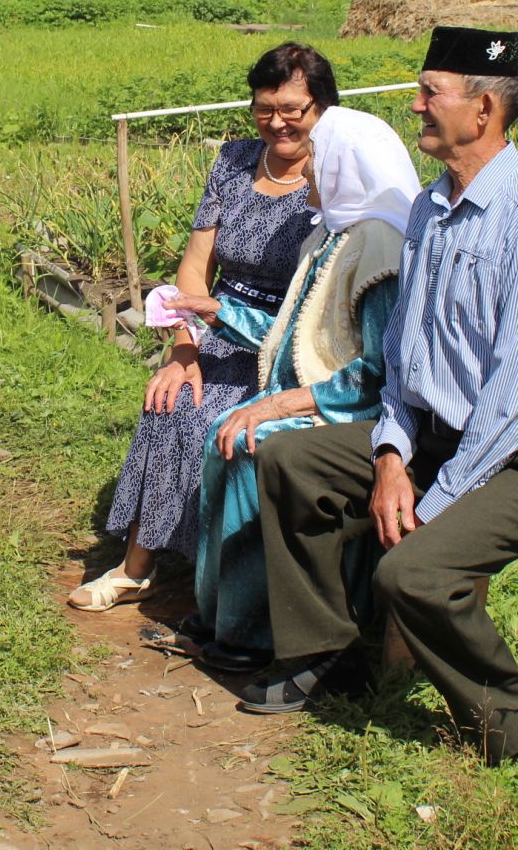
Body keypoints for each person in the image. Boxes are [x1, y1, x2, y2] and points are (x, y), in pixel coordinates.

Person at [243, 25, 518, 791]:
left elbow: (517, 394)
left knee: (412, 572)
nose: (415, 107)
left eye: (430, 92)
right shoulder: (433, 209)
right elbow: (405, 356)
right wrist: (391, 455)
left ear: (484, 110)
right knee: (289, 458)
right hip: (434, 436)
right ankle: (325, 654)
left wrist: (430, 496)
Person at [69, 44, 334, 612]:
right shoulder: (236, 161)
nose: (278, 121)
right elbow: (197, 263)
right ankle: (137, 565)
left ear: (322, 107)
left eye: (294, 108)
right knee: (171, 401)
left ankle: (217, 574)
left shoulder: (336, 172)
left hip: (287, 339)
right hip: (216, 323)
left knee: (225, 423)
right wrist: (183, 347)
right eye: (265, 107)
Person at [178, 105, 421, 670]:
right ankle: (223, 613)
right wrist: (217, 311)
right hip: (313, 399)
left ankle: (251, 633)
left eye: (317, 159)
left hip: (354, 415)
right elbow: (294, 335)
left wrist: (281, 403)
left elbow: (379, 373)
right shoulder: (333, 234)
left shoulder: (378, 246)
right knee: (227, 428)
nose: (306, 172)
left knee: (246, 443)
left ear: (344, 166)